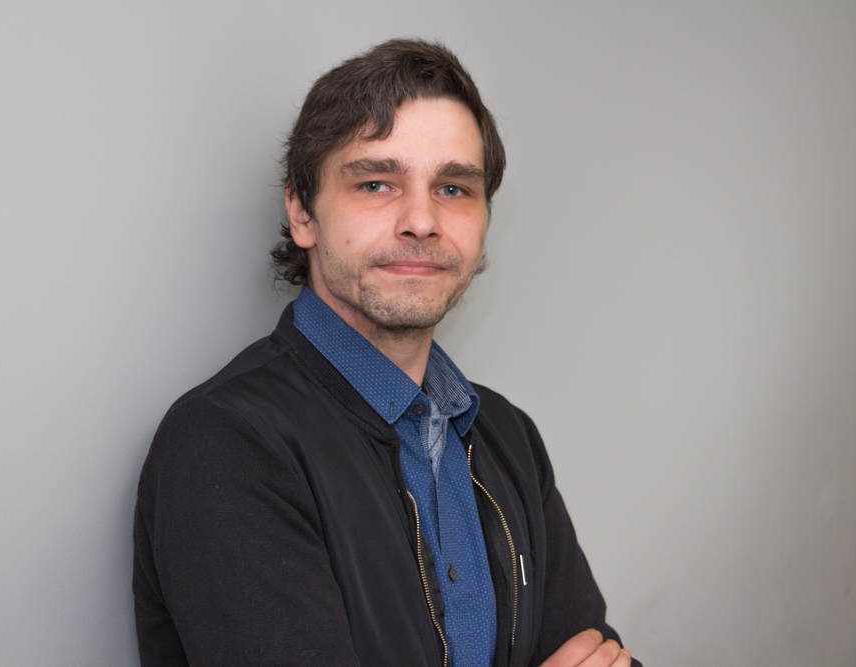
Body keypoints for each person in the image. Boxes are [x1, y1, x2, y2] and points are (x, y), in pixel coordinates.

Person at [133, 38, 639, 667]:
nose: (422, 221)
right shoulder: (227, 443)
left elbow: (600, 655)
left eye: (453, 188)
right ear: (302, 211)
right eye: (376, 183)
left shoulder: (510, 438)